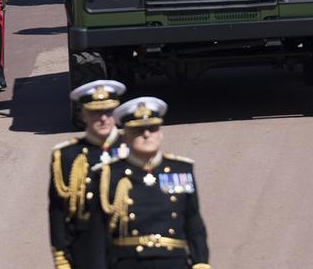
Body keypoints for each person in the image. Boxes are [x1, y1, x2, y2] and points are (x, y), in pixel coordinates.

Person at [88, 97, 209, 269]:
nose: (146, 134)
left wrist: (201, 262)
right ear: (126, 136)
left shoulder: (180, 169)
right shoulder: (107, 174)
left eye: (152, 128)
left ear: (160, 133)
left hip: (174, 262)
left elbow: (193, 221)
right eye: (138, 130)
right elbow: (97, 235)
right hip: (129, 262)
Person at [49, 80, 128, 268]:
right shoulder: (68, 156)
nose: (103, 118)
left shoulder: (132, 149)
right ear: (83, 115)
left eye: (108, 112)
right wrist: (61, 256)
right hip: (87, 251)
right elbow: (58, 212)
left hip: (130, 247)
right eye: (95, 112)